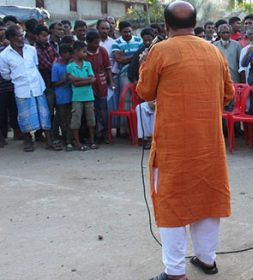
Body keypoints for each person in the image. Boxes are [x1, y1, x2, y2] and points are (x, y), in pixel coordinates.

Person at [137, 3, 233, 279]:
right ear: (195, 22)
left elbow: (144, 91)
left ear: (166, 26)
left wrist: (146, 63)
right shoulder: (214, 51)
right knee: (208, 199)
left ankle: (176, 272)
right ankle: (207, 259)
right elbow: (228, 93)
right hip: (209, 144)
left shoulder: (160, 50)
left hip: (173, 147)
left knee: (172, 204)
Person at [0, 25, 57, 152]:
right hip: (22, 89)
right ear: (11, 38)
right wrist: (19, 78)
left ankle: (48, 140)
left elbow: (36, 66)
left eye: (22, 34)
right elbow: (5, 74)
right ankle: (27, 140)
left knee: (44, 114)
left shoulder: (31, 50)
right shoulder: (4, 55)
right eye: (19, 35)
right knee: (24, 116)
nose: (22, 37)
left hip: (37, 86)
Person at [111, 21, 143, 136]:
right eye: (125, 32)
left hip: (139, 72)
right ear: (120, 32)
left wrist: (128, 57)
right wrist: (135, 56)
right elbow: (120, 59)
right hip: (124, 73)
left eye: (130, 31)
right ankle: (126, 128)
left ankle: (138, 128)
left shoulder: (139, 40)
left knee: (140, 98)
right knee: (126, 100)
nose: (128, 34)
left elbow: (143, 54)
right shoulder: (116, 43)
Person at [67, 41, 97, 151]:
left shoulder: (87, 64)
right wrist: (87, 80)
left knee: (91, 120)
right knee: (76, 120)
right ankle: (77, 142)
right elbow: (74, 82)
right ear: (76, 51)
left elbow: (92, 79)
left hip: (89, 96)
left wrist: (78, 79)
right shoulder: (71, 66)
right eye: (83, 52)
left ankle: (92, 141)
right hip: (77, 97)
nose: (86, 54)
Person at [85, 29, 114, 143]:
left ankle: (106, 133)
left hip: (101, 83)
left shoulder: (102, 51)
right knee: (91, 111)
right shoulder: (83, 52)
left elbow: (108, 68)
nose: (97, 45)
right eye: (95, 43)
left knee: (103, 110)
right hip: (87, 84)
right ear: (88, 42)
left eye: (98, 42)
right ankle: (94, 135)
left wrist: (110, 82)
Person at [35, 25, 60, 146]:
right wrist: (55, 62)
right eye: (43, 36)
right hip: (46, 84)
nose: (46, 38)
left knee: (56, 110)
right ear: (37, 36)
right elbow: (48, 66)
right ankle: (46, 135)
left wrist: (55, 62)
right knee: (48, 111)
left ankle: (53, 133)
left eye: (47, 36)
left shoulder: (49, 46)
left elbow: (57, 58)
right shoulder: (36, 50)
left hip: (54, 83)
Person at [52, 44, 74, 151]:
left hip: (71, 96)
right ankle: (65, 139)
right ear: (63, 54)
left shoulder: (71, 65)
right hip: (61, 97)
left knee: (70, 119)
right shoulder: (56, 66)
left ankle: (69, 139)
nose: (70, 55)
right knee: (63, 119)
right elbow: (54, 83)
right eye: (69, 53)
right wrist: (65, 79)